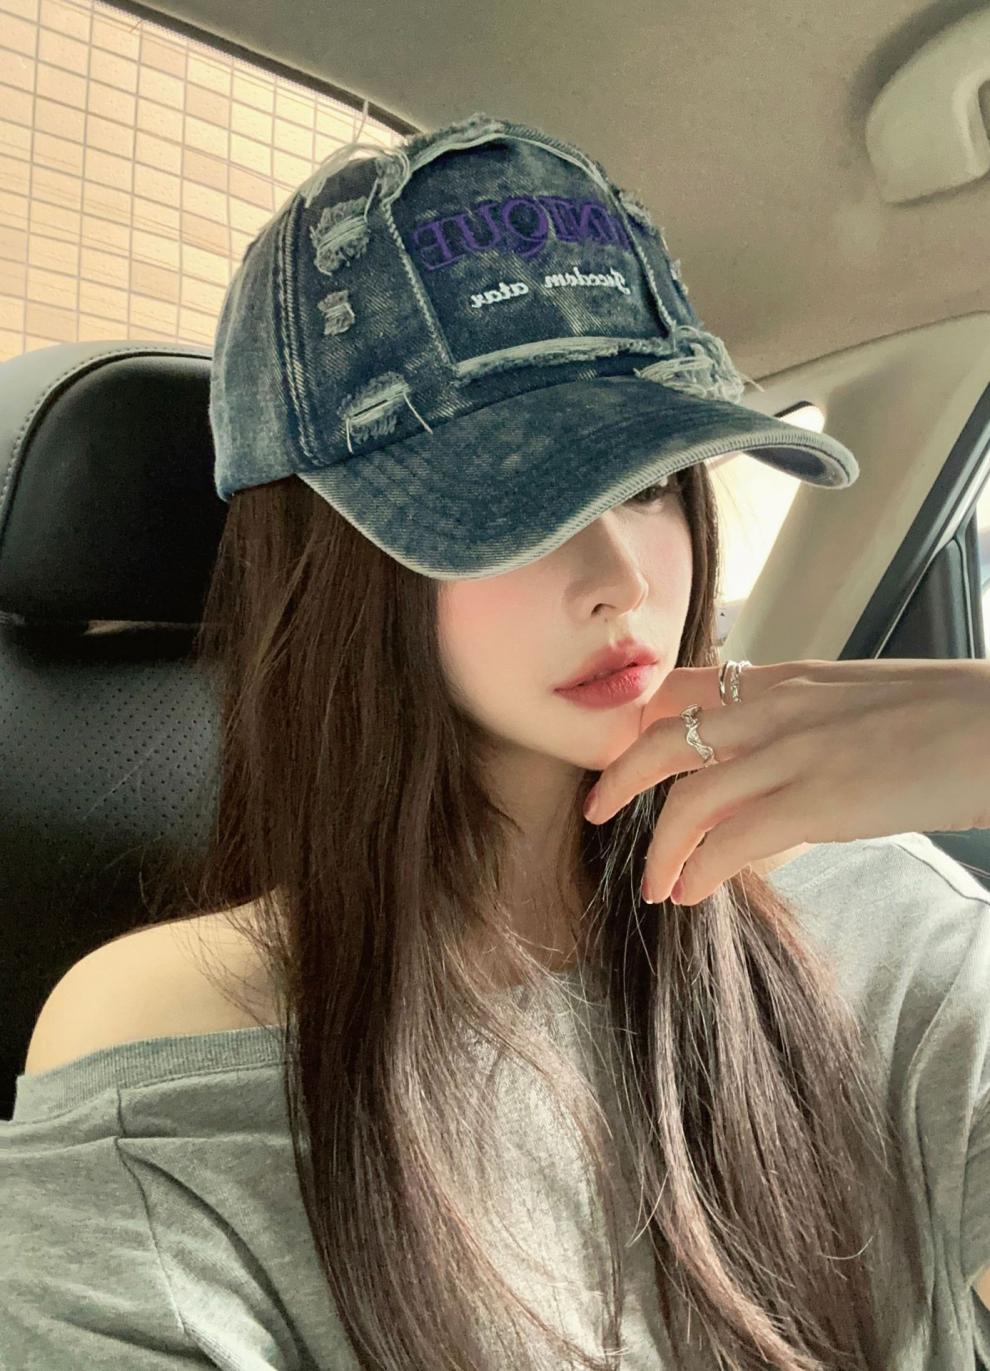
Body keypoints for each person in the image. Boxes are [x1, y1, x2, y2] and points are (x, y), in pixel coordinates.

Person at [4, 102, 990, 1371]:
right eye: (520, 498)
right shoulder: (182, 1051)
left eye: (650, 483)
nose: (623, 579)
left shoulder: (878, 923)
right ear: (335, 563)